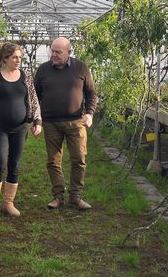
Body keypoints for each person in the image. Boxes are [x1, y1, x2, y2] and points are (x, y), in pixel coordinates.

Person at [0, 42, 42, 217]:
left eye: (20, 57)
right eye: (14, 57)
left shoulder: (25, 76)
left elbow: (33, 99)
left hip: (20, 128)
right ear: (5, 59)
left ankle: (8, 203)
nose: (18, 60)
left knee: (15, 165)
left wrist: (37, 120)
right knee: (0, 163)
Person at [34, 37, 97, 210]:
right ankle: (58, 196)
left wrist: (89, 114)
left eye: (58, 52)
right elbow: (34, 97)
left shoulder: (81, 68)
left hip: (76, 121)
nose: (53, 54)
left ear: (69, 53)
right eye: (52, 51)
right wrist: (37, 119)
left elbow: (92, 93)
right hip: (51, 123)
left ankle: (75, 196)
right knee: (53, 161)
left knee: (79, 158)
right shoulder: (43, 70)